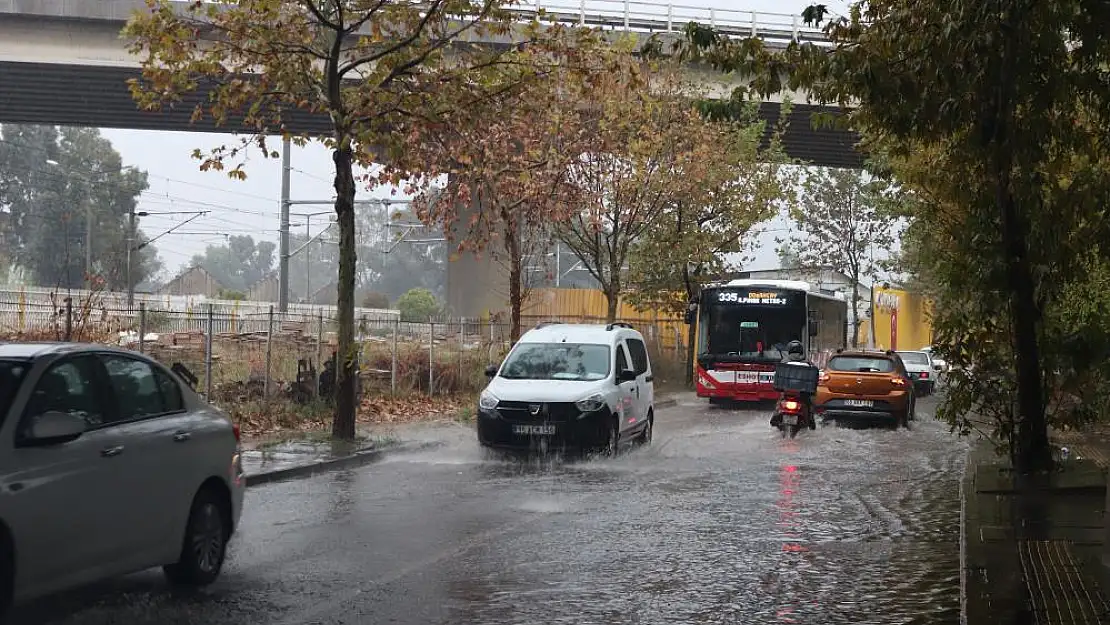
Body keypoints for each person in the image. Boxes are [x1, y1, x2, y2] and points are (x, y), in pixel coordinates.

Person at [770, 340, 818, 430]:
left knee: (780, 400)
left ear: (789, 350)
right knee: (810, 403)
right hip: (803, 393)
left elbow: (777, 375)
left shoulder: (784, 363)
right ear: (801, 351)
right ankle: (811, 420)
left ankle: (775, 415)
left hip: (787, 391)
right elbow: (814, 378)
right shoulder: (808, 363)